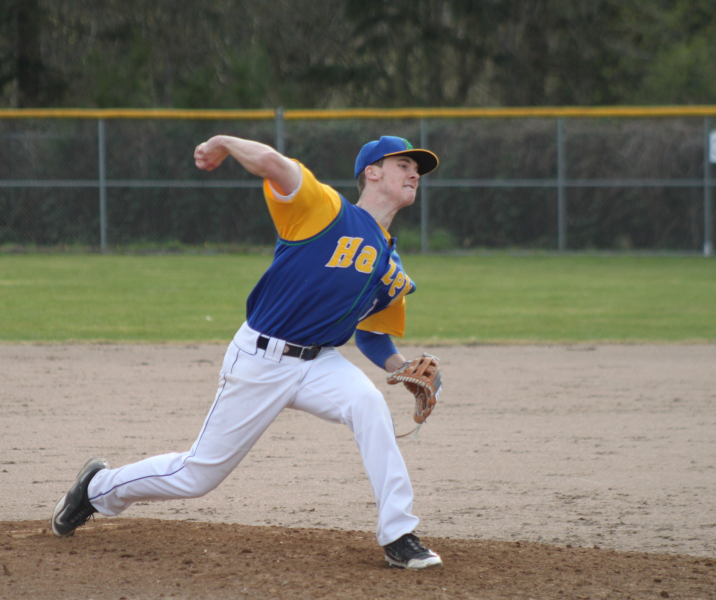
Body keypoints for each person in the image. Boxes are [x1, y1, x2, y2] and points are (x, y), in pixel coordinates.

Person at [51, 134, 443, 570]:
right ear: (372, 172)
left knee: (368, 404)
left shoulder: (392, 267)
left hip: (319, 363)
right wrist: (223, 142)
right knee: (197, 476)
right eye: (404, 165)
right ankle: (97, 488)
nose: (414, 174)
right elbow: (273, 163)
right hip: (261, 358)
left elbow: (371, 335)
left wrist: (401, 368)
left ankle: (399, 534)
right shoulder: (326, 210)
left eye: (418, 171)